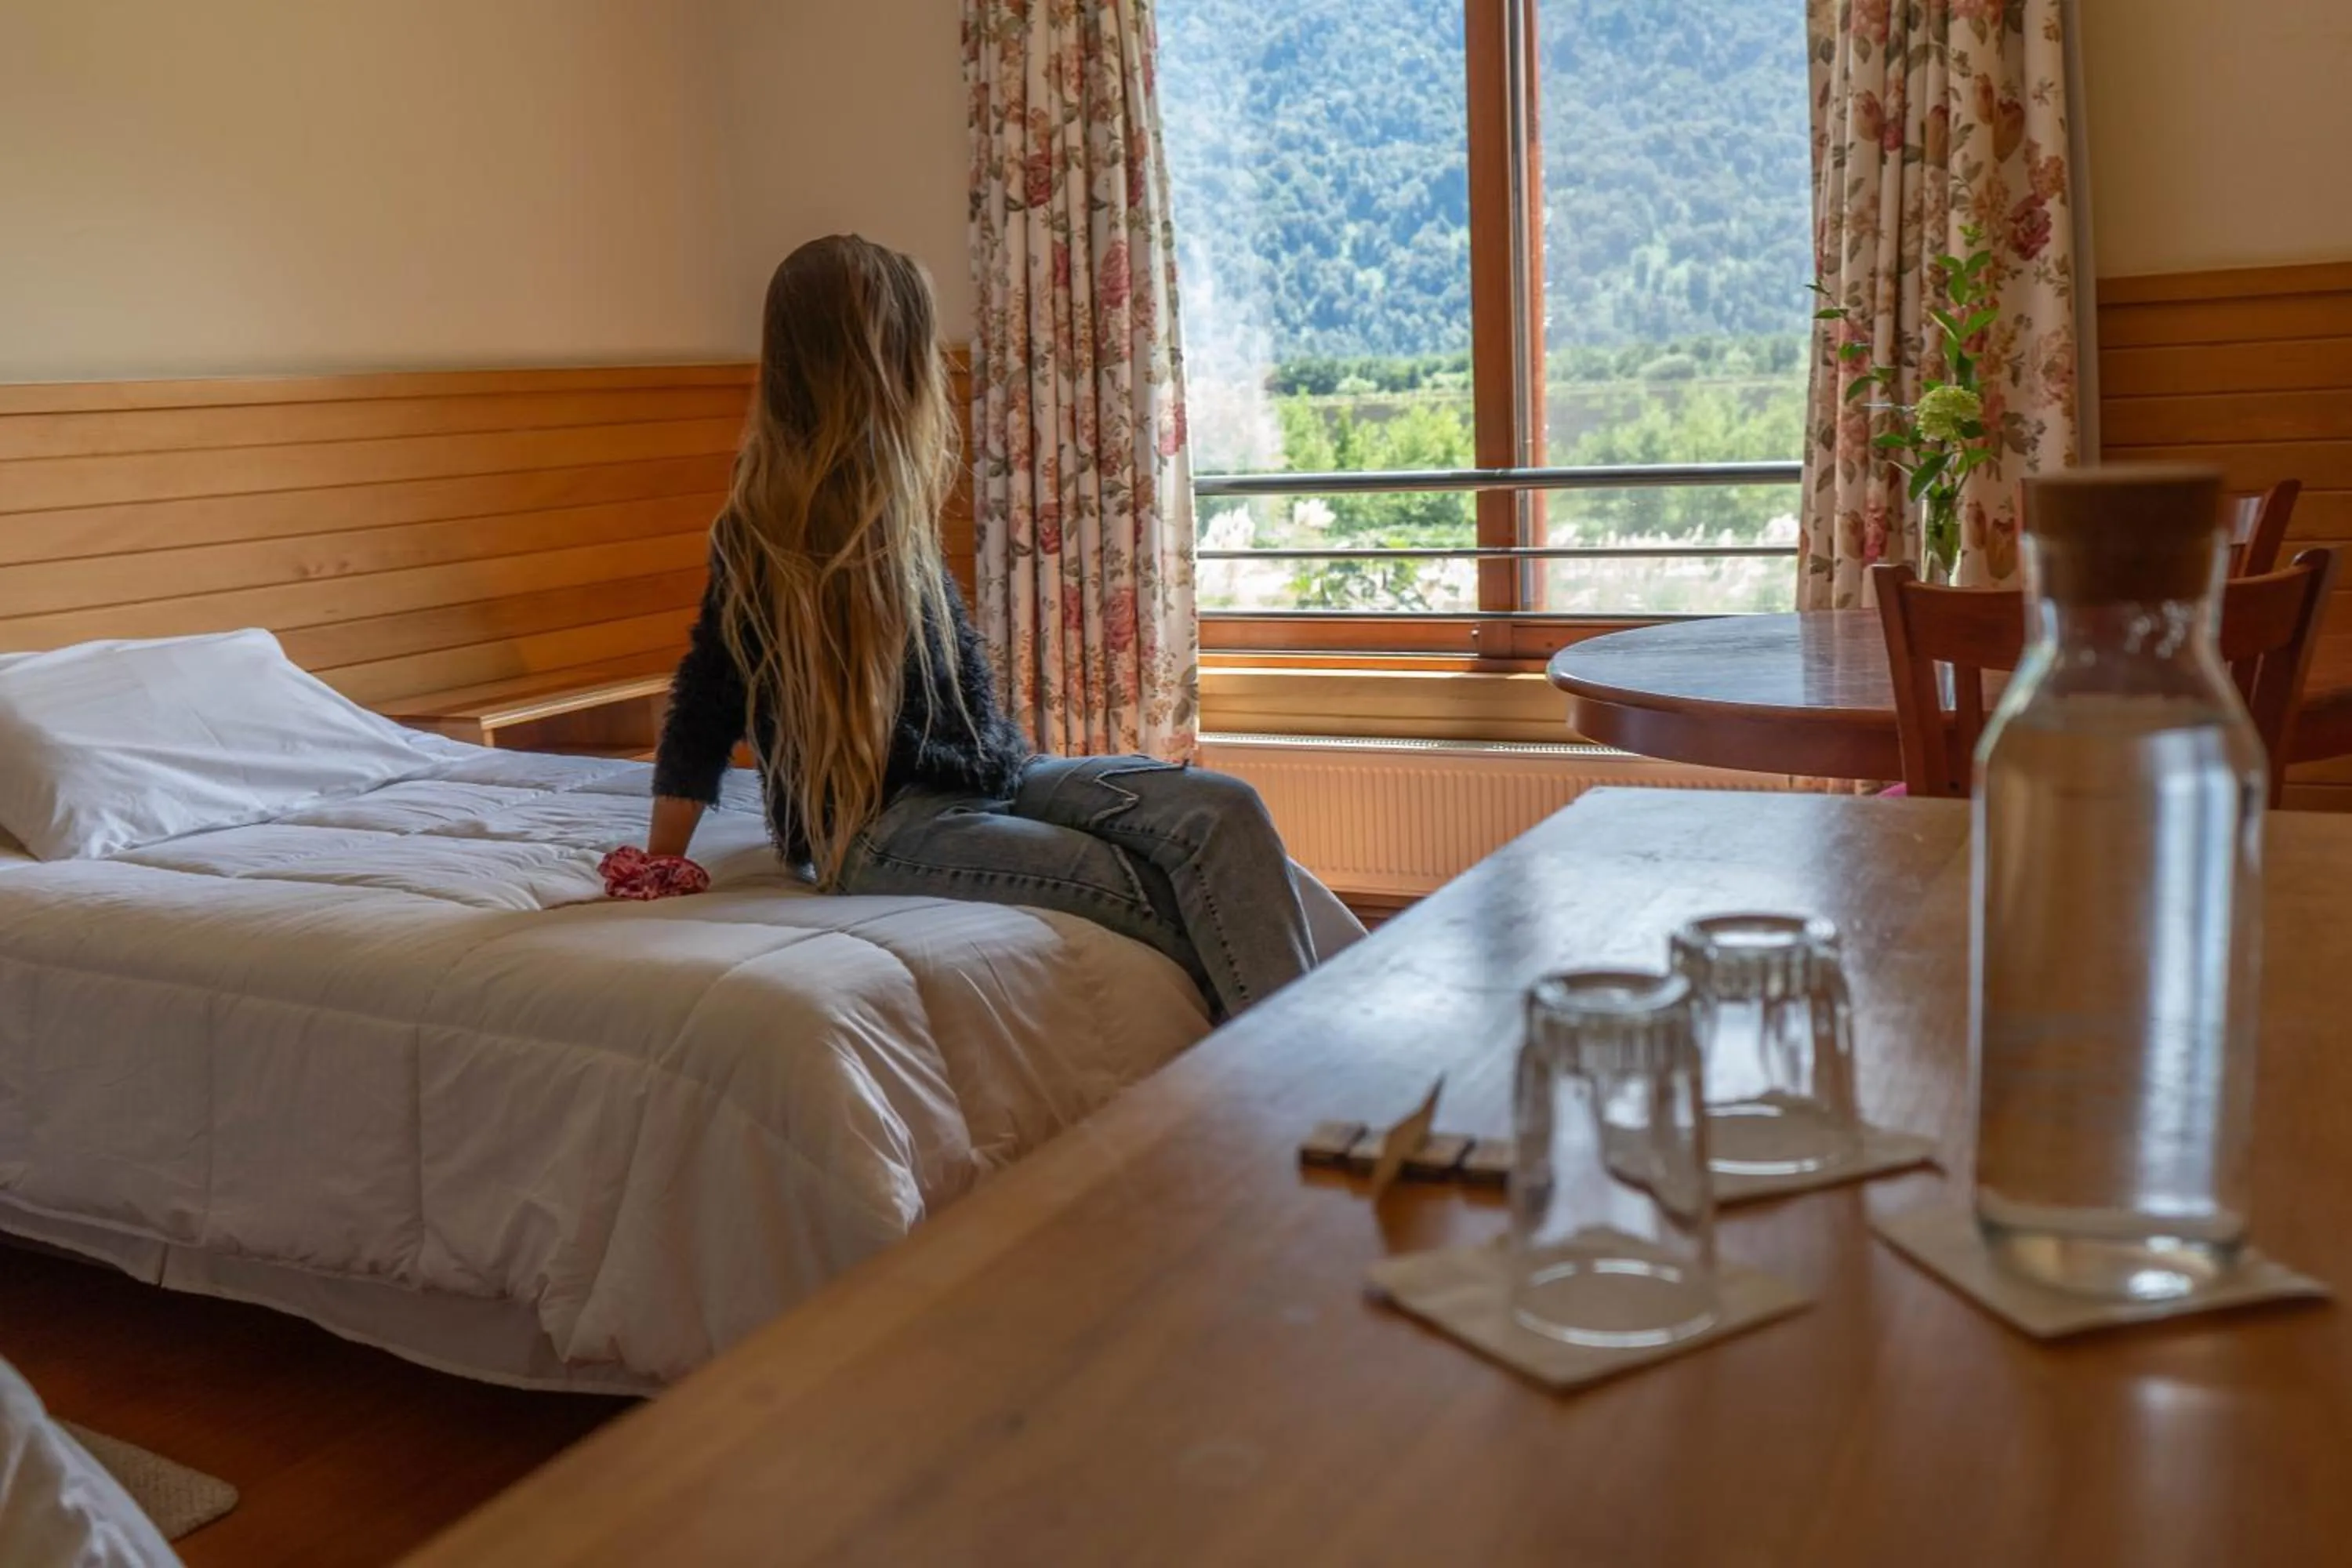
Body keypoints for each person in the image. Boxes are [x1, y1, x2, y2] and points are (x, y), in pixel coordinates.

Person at [640, 234, 1344, 1020]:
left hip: (994, 779)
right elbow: (707, 699)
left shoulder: (896, 505)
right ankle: (1284, 1071)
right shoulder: (766, 533)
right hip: (877, 832)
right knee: (1146, 884)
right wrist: (659, 860)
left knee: (1224, 811)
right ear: (877, 365)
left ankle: (1317, 1054)